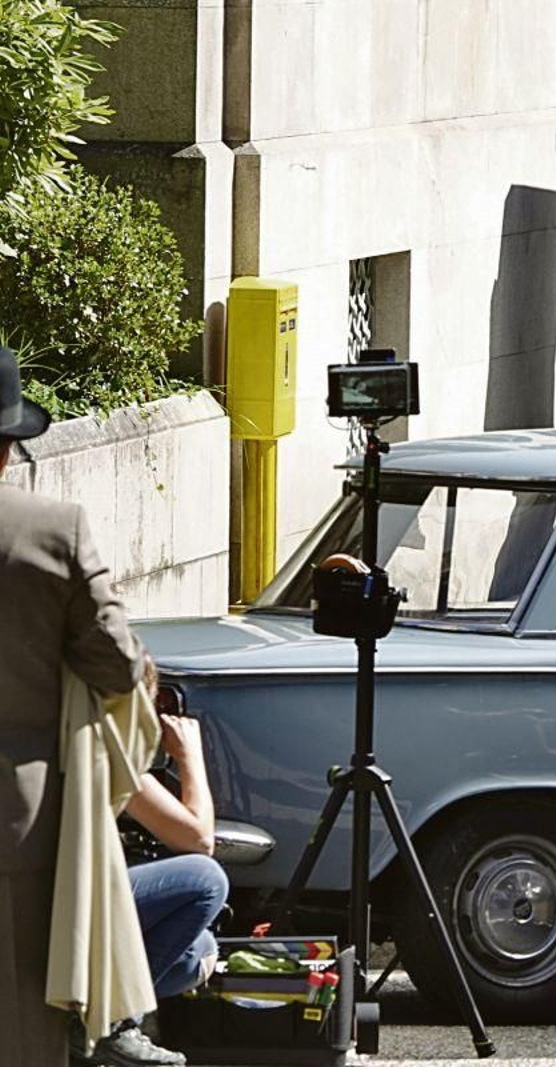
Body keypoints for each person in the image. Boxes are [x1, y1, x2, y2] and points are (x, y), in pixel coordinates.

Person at [0, 345, 146, 1067]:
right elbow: (117, 663)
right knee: (25, 1027)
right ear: (10, 442)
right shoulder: (54, 529)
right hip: (19, 810)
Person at [78, 710, 230, 1067]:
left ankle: (84, 1018)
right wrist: (189, 754)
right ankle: (109, 1024)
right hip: (53, 903)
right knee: (205, 879)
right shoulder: (95, 741)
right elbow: (198, 840)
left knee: (195, 953)